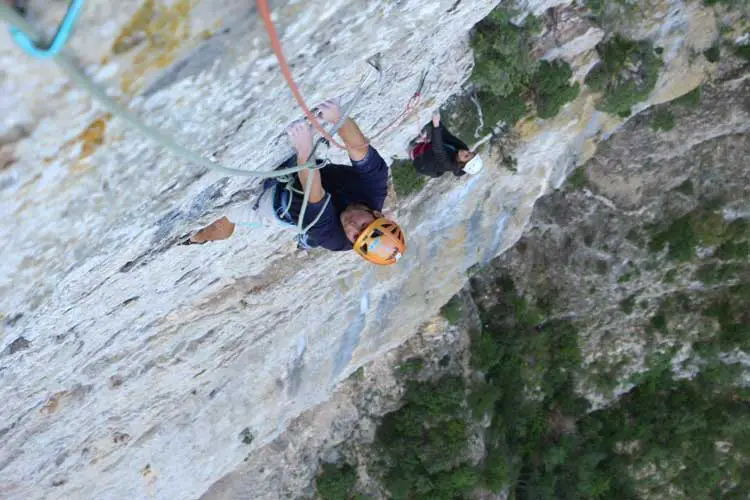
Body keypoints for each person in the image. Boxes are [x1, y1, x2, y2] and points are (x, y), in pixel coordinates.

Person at [187, 100, 406, 266]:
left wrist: (304, 150)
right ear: (377, 215)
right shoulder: (375, 187)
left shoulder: (334, 239)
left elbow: (315, 193)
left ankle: (195, 238)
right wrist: (338, 117)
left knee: (222, 227)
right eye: (363, 225)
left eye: (355, 236)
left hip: (273, 204)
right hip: (298, 177)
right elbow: (359, 149)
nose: (351, 227)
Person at [410, 111, 483, 178]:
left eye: (466, 156)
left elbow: (438, 149)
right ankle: (427, 139)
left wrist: (436, 125)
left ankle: (417, 147)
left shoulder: (448, 164)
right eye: (469, 153)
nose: (465, 152)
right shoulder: (463, 148)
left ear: (461, 164)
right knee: (432, 128)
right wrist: (438, 123)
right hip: (438, 154)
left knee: (426, 148)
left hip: (423, 162)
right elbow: (447, 136)